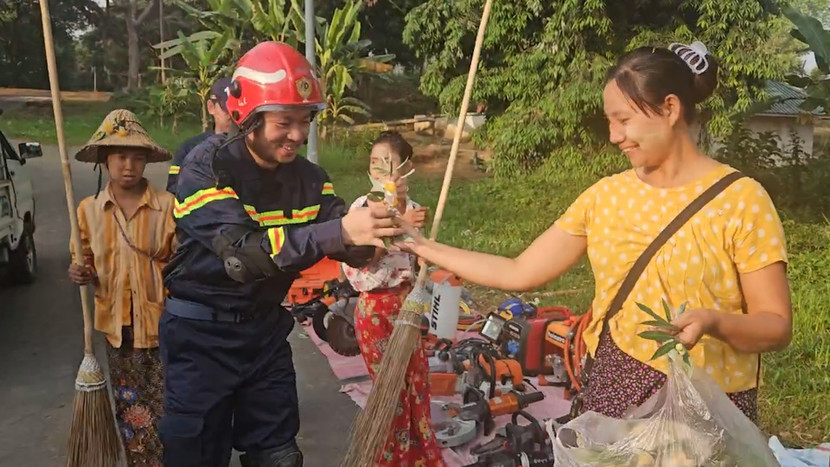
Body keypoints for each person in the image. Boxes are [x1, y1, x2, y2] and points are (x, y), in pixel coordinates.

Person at [392, 41, 792, 423]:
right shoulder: (605, 197)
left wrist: (714, 323)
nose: (615, 136)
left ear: (670, 108)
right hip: (615, 389)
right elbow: (519, 270)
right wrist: (424, 247)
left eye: (624, 120)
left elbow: (775, 325)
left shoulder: (741, 200)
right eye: (610, 122)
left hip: (710, 409)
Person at [159, 41, 400, 467]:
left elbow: (346, 239)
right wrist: (342, 230)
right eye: (284, 122)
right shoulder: (206, 169)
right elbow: (243, 259)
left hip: (265, 335)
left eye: (305, 121)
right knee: (195, 457)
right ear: (247, 116)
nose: (298, 135)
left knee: (279, 457)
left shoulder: (311, 179)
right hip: (200, 339)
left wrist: (378, 225)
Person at [68, 109, 177, 466]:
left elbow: (183, 262)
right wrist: (81, 272)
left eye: (137, 157)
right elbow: (83, 258)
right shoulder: (88, 211)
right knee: (132, 413)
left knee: (168, 410)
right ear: (105, 160)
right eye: (120, 157)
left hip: (163, 326)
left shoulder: (167, 207)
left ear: (146, 161)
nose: (129, 166)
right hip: (119, 331)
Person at [341, 131, 439, 466]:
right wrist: (399, 228)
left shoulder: (414, 209)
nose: (380, 172)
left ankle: (421, 455)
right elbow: (360, 261)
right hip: (375, 309)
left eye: (388, 164)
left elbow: (417, 259)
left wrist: (423, 252)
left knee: (417, 382)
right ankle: (390, 457)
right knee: (390, 389)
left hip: (406, 306)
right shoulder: (361, 210)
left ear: (406, 168)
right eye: (375, 164)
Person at [166, 76, 233, 193]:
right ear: (211, 107)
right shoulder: (188, 149)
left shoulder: (255, 149)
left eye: (239, 109)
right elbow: (173, 192)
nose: (233, 115)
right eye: (227, 109)